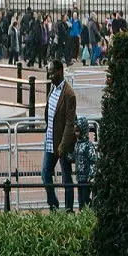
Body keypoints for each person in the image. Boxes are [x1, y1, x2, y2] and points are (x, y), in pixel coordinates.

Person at [42, 60, 79, 212]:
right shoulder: (53, 88)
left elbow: (70, 124)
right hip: (50, 140)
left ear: (60, 71)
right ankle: (54, 205)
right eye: (49, 73)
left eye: (52, 72)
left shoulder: (69, 94)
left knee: (66, 178)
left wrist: (63, 145)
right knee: (45, 174)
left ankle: (69, 210)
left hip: (62, 143)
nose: (50, 76)